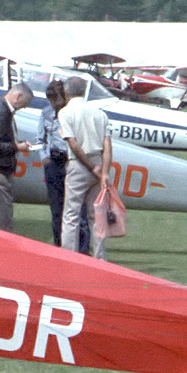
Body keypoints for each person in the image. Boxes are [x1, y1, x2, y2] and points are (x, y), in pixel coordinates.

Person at [59, 75, 113, 259]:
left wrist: (90, 167)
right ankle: (100, 257)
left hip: (79, 164)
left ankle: (69, 257)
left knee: (71, 215)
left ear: (66, 92)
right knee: (96, 214)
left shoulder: (65, 113)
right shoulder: (100, 114)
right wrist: (104, 171)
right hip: (99, 161)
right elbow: (107, 145)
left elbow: (73, 144)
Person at [0, 83, 33, 231]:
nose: (24, 107)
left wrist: (17, 144)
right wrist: (17, 147)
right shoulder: (0, 112)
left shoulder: (0, 108)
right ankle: (3, 241)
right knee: (4, 208)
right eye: (24, 104)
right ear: (18, 96)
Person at [39, 80, 71, 247]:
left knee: (73, 209)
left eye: (56, 99)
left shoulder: (72, 113)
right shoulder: (46, 114)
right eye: (51, 100)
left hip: (70, 162)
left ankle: (78, 246)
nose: (54, 103)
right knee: (56, 209)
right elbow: (41, 139)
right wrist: (44, 157)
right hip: (53, 162)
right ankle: (58, 244)